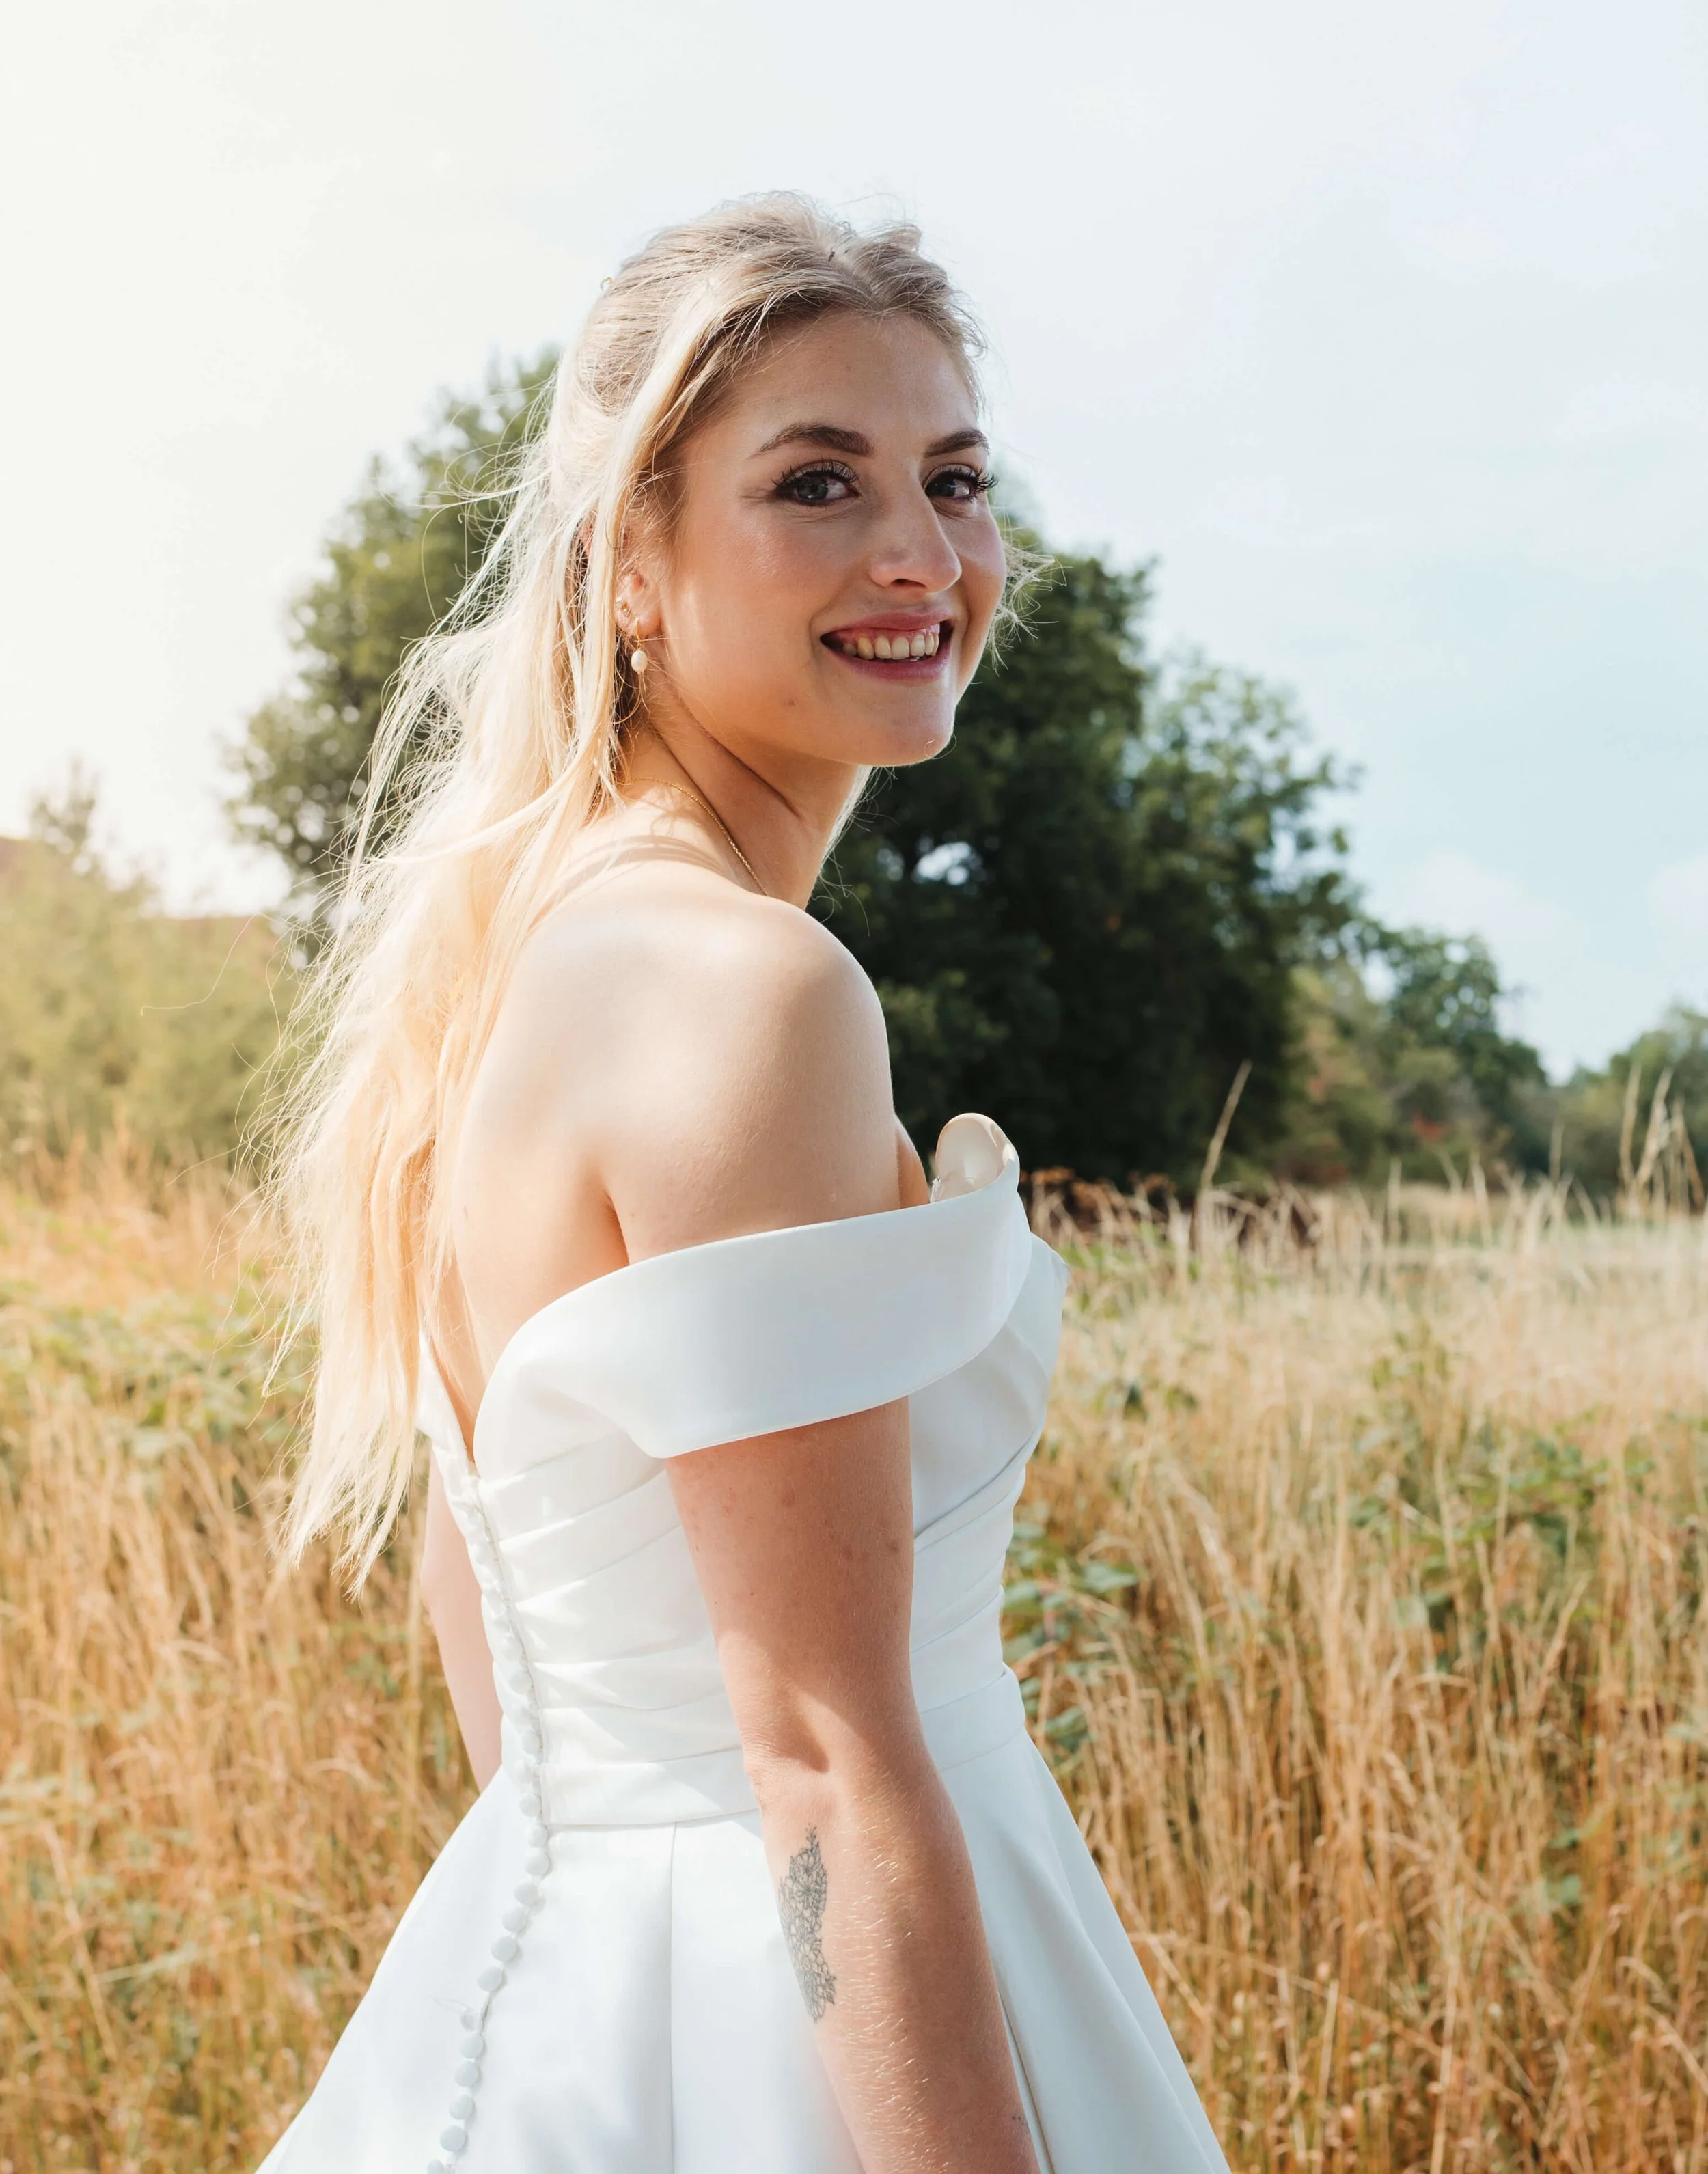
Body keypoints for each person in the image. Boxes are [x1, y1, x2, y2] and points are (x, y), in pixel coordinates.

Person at [260, 193, 1228, 2174]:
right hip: (809, 2013)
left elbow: (486, 1593)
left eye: (952, 479)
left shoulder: (525, 959)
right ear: (632, 561)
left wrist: (630, 1956)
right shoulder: (744, 987)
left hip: (605, 1975)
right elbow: (817, 1752)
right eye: (815, 483)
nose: (917, 555)